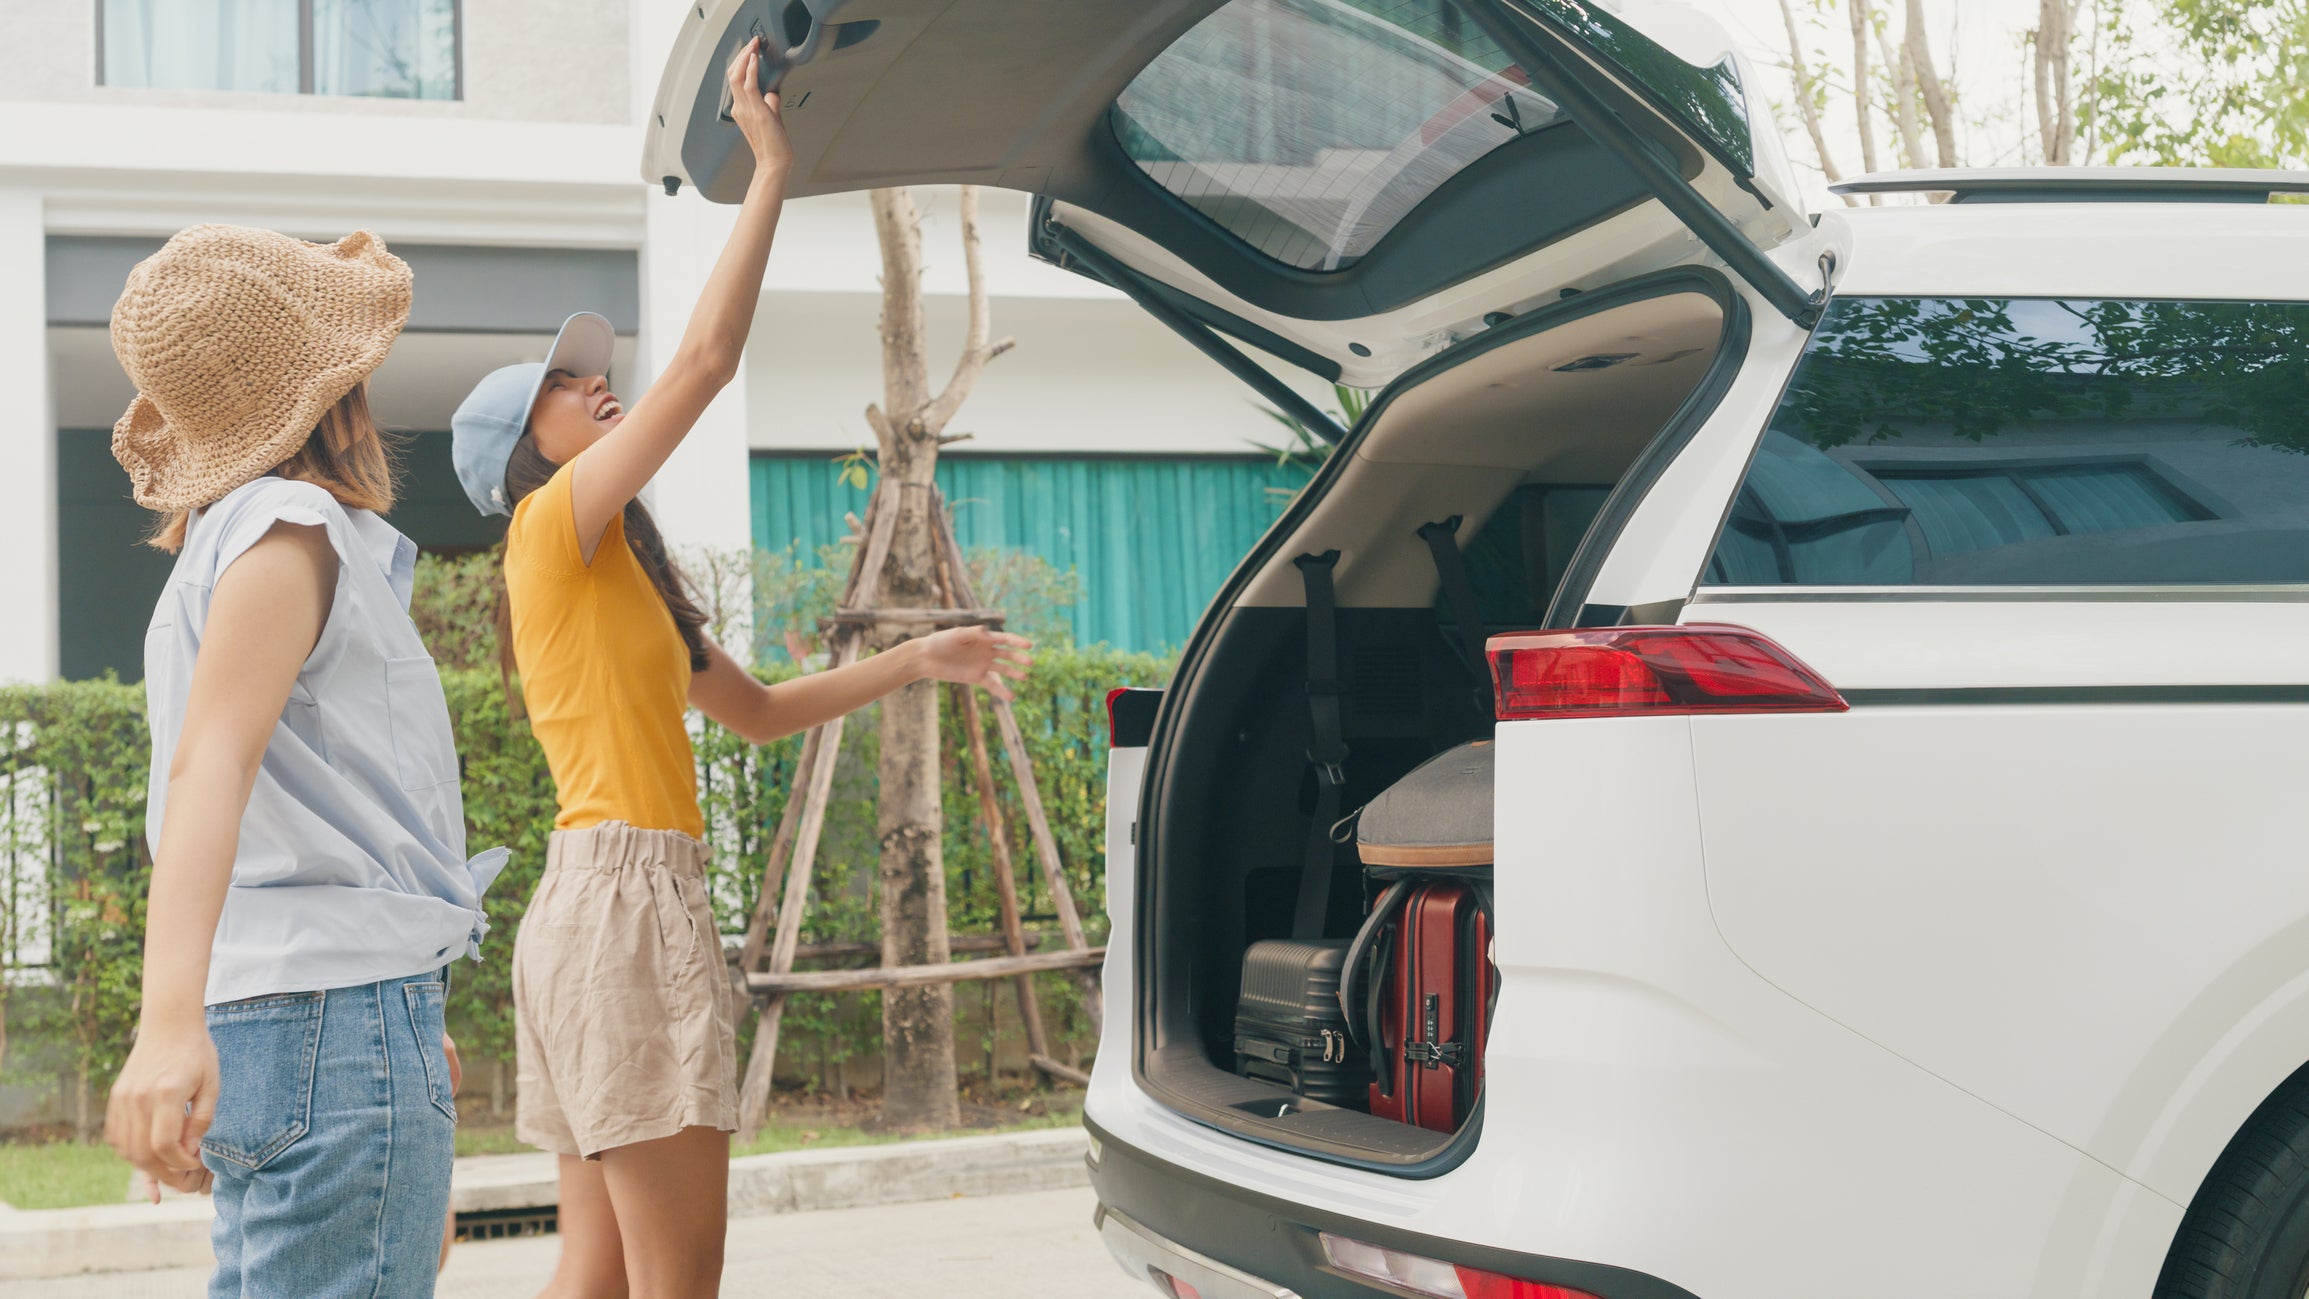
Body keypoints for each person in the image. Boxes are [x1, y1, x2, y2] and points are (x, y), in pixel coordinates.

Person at [448, 38, 1030, 1299]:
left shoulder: (617, 579)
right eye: (565, 387)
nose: (599, 387)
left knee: (598, 1276)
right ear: (522, 454)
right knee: (673, 1283)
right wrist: (770, 169)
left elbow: (759, 713)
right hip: (619, 907)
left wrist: (919, 656)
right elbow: (708, 363)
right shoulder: (547, 528)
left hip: (595, 905)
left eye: (594, 373)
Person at [102, 223, 506, 1299]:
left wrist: (400, 1006)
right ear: (333, 392)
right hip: (330, 1020)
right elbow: (212, 769)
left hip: (302, 1011)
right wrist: (166, 1026)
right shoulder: (290, 526)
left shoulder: (228, 543)